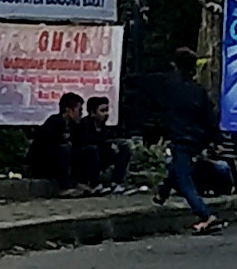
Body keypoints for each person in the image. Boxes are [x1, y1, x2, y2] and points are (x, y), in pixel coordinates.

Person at [137, 46, 225, 233]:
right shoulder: (197, 90)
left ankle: (205, 215)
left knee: (184, 179)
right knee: (178, 166)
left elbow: (146, 90)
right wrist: (217, 141)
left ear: (174, 65)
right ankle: (162, 194)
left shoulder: (167, 85)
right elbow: (209, 117)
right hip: (197, 138)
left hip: (180, 137)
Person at [29, 92, 90, 193]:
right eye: (79, 110)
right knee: (64, 149)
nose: (81, 114)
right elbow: (46, 147)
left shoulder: (75, 126)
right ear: (68, 110)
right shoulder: (55, 122)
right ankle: (64, 186)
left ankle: (82, 183)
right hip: (44, 163)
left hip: (61, 160)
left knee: (87, 151)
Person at [77, 94, 134, 191]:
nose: (106, 114)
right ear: (92, 113)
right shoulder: (83, 125)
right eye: (102, 111)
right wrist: (107, 144)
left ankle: (116, 182)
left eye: (107, 110)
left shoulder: (106, 129)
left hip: (101, 156)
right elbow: (85, 141)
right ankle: (95, 184)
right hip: (84, 158)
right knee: (92, 150)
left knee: (124, 147)